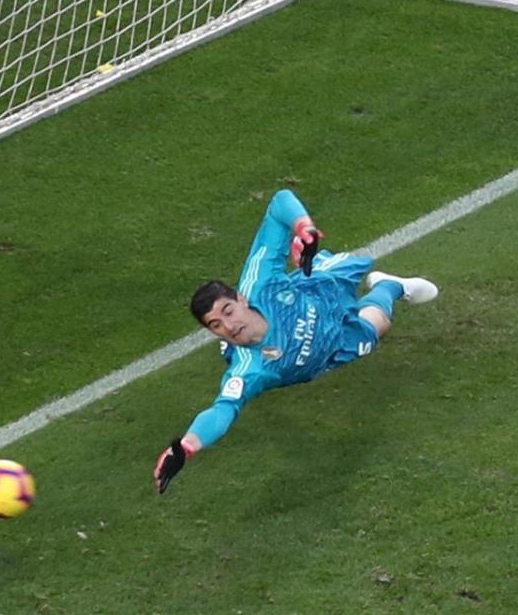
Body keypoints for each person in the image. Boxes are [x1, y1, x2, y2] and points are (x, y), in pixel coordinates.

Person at [153, 188, 437, 494]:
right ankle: (390, 285)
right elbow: (222, 411)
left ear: (241, 299)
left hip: (319, 288)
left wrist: (304, 227)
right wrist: (186, 448)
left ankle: (379, 283)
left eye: (228, 311)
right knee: (376, 329)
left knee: (350, 271)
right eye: (216, 324)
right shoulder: (249, 370)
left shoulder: (258, 281)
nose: (229, 324)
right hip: (326, 350)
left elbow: (279, 202)